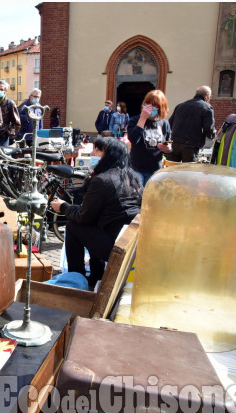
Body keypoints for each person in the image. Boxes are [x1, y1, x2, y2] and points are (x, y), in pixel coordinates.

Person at [50, 138, 142, 289]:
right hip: (131, 242)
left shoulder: (102, 180)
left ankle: (76, 278)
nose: (92, 153)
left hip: (116, 246)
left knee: (74, 226)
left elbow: (83, 217)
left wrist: (63, 207)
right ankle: (95, 277)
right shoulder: (132, 177)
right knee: (92, 228)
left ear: (110, 155)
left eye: (98, 150)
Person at [127, 90, 172, 186]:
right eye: (148, 103)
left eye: (155, 105)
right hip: (136, 167)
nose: (150, 108)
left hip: (154, 168)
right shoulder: (134, 120)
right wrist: (142, 118)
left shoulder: (164, 123)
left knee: (149, 196)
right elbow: (133, 139)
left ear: (161, 108)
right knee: (137, 196)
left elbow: (169, 142)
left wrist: (168, 148)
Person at [167, 86, 216, 162]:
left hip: (175, 143)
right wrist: (213, 135)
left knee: (172, 169)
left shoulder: (181, 105)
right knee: (188, 171)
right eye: (210, 96)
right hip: (191, 146)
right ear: (206, 95)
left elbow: (170, 123)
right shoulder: (207, 108)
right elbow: (209, 128)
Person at [0, 80, 21, 147]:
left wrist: (7, 132)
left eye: (1, 89)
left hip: (3, 137)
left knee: (2, 156)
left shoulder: (10, 103)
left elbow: (17, 123)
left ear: (5, 91)